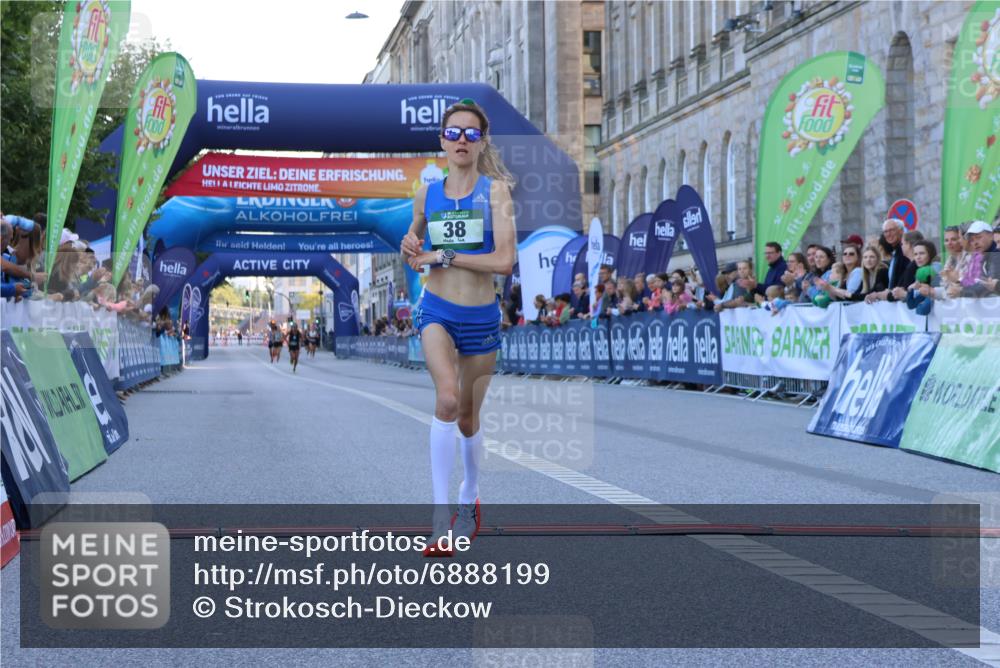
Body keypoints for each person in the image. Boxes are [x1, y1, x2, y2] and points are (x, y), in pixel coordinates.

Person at [400, 99, 516, 557]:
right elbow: (414, 249)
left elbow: (505, 262)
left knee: (468, 417)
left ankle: (469, 495)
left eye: (471, 133)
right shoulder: (426, 194)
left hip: (482, 316)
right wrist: (411, 245)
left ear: (483, 141)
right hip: (438, 310)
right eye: (453, 133)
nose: (462, 140)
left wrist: (442, 255)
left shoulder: (496, 192)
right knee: (446, 400)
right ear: (442, 141)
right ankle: (437, 519)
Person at [948, 220, 1000, 298]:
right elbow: (976, 282)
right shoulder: (984, 257)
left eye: (978, 237)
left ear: (991, 236)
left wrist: (961, 292)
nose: (975, 243)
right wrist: (958, 283)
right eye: (972, 240)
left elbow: (987, 286)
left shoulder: (996, 256)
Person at [905, 240, 939, 315]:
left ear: (930, 254)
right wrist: (910, 289)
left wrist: (919, 307)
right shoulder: (920, 274)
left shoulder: (936, 269)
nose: (918, 257)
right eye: (915, 254)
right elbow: (911, 305)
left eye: (922, 253)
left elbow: (923, 310)